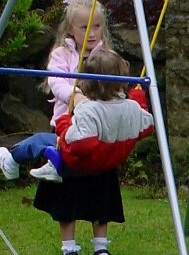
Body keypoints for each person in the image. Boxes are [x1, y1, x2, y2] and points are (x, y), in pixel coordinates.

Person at [0, 0, 125, 255]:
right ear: (70, 28)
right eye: (85, 27)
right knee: (68, 190)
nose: (92, 33)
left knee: (101, 189)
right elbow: (57, 83)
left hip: (99, 134)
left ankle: (101, 247)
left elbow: (116, 83)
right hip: (69, 130)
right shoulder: (61, 55)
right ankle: (69, 249)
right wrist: (76, 96)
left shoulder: (107, 55)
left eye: (97, 26)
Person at [30, 48, 154, 182]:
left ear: (87, 83)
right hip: (111, 161)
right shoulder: (132, 107)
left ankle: (18, 159)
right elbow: (147, 128)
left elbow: (80, 145)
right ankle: (52, 163)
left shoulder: (88, 109)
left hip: (82, 164)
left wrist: (64, 125)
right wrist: (139, 101)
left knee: (41, 140)